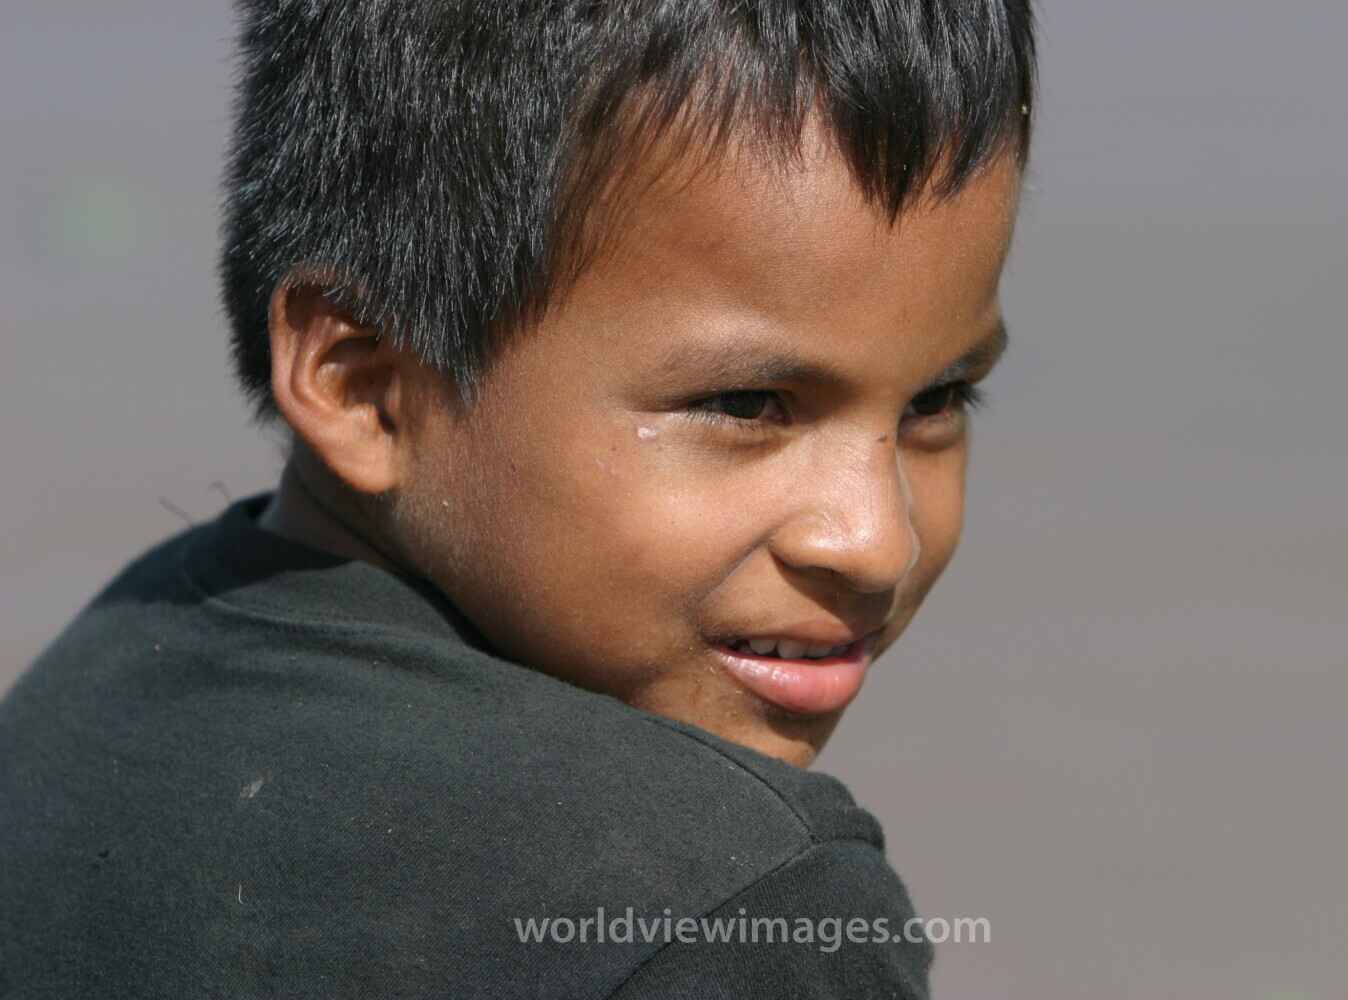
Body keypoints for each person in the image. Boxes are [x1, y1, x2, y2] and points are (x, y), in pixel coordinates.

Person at [0, 1, 1035, 996]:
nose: (877, 539)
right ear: (366, 387)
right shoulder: (734, 911)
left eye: (940, 397)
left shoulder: (80, 698)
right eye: (748, 402)